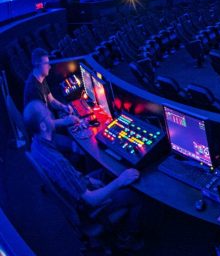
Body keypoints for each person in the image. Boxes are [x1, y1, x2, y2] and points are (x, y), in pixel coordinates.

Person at [24, 100, 144, 250]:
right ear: (42, 126)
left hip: (81, 188)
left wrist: (90, 180)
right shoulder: (58, 163)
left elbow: (73, 179)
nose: (50, 114)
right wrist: (121, 180)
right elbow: (92, 200)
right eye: (47, 114)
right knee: (136, 195)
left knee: (107, 171)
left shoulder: (36, 144)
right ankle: (126, 237)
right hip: (89, 207)